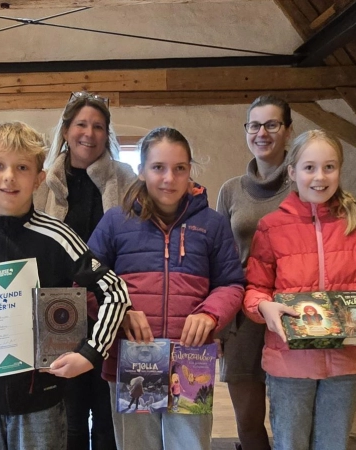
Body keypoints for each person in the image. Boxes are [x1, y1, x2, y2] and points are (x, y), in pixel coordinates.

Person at [0, 122, 131, 450]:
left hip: (41, 403)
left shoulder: (58, 237)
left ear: (39, 178)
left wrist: (91, 354)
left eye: (22, 168)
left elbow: (115, 292)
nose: (9, 177)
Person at [87, 127, 245, 450]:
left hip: (191, 360)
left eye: (179, 168)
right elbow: (87, 286)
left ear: (190, 171)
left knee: (189, 444)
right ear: (142, 170)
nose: (169, 178)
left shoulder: (212, 224)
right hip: (132, 360)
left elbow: (231, 284)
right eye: (158, 167)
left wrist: (211, 315)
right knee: (137, 445)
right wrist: (120, 313)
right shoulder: (115, 222)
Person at [243, 130, 356, 450]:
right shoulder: (271, 227)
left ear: (339, 170)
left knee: (333, 444)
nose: (319, 176)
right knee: (291, 444)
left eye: (329, 167)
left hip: (345, 360)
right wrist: (264, 307)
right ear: (292, 172)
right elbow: (255, 288)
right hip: (289, 363)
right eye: (309, 167)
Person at [34, 91, 137, 450]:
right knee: (70, 413)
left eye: (98, 126)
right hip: (59, 311)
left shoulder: (126, 179)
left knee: (108, 410)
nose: (89, 134)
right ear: (65, 131)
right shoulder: (43, 182)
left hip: (109, 306)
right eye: (81, 124)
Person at [216, 95, 294, 450]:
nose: (262, 132)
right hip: (244, 313)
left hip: (295, 307)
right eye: (254, 125)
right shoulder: (231, 190)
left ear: (288, 130)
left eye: (272, 124)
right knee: (248, 418)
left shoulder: (305, 184)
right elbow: (220, 257)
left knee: (292, 414)